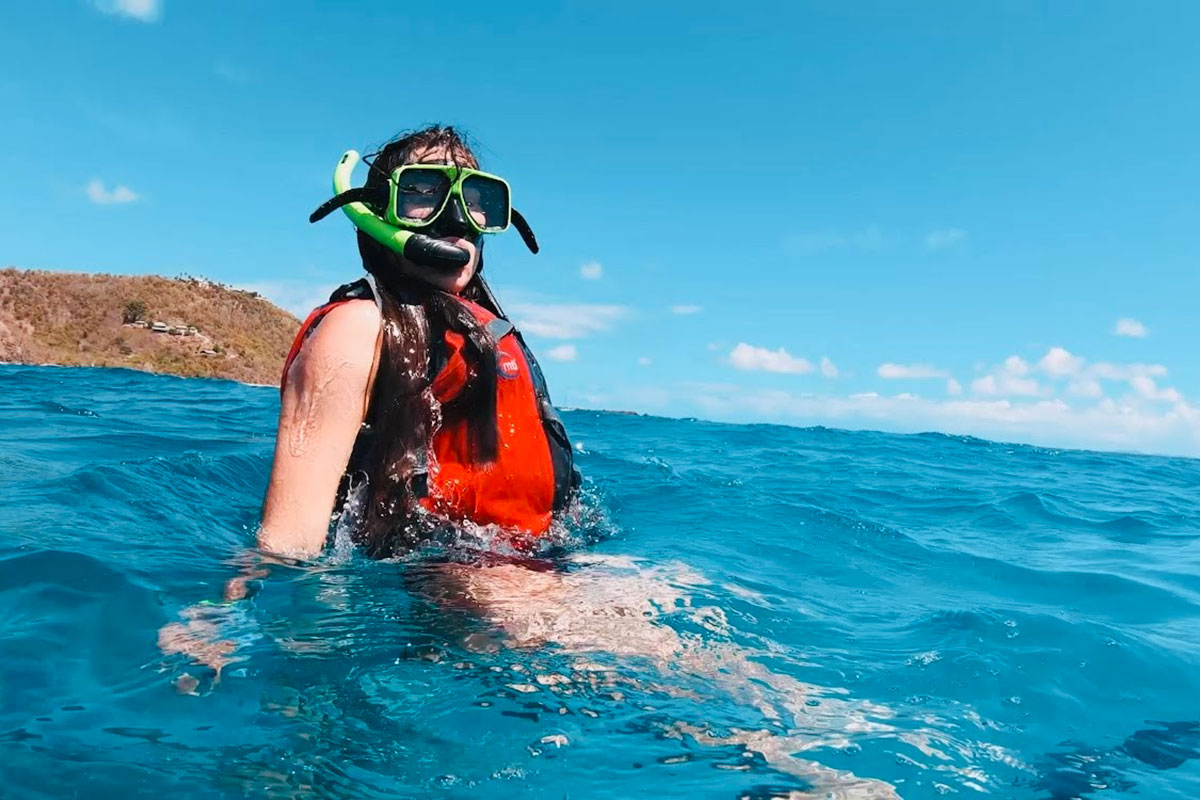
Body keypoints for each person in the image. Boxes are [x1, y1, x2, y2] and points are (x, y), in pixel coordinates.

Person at [258, 125, 578, 559]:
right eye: (423, 192)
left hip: (542, 562)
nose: (457, 217)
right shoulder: (357, 329)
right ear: (376, 214)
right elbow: (287, 543)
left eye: (477, 199)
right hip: (442, 585)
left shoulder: (488, 332)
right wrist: (218, 613)